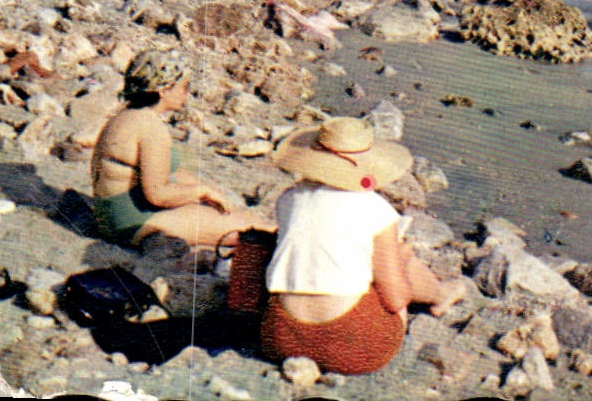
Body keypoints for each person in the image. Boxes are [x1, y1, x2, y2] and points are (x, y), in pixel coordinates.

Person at [261, 118, 467, 376]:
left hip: (281, 339)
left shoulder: (289, 199)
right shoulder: (375, 209)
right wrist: (401, 260)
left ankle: (438, 292)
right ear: (369, 163)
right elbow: (397, 298)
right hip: (355, 348)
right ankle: (440, 295)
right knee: (400, 259)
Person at [90, 50, 269, 248]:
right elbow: (157, 195)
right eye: (183, 86)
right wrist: (202, 192)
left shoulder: (127, 116)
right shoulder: (151, 128)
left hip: (110, 214)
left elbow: (159, 173)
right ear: (164, 90)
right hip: (130, 223)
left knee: (231, 213)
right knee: (255, 230)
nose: (186, 93)